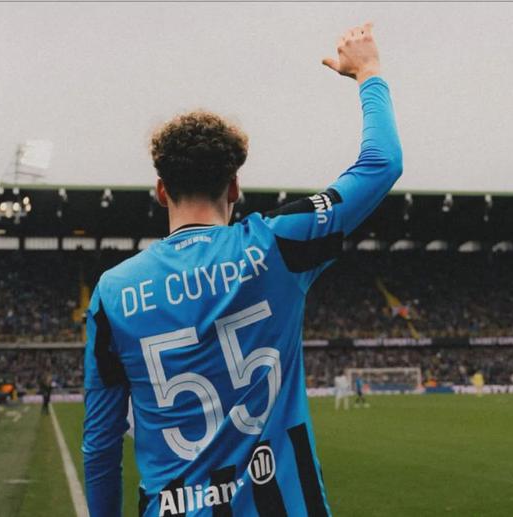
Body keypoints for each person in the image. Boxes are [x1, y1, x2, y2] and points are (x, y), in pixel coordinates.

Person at [82, 21, 402, 517]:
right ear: (234, 187)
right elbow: (381, 164)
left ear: (162, 191)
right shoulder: (276, 245)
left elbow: (101, 445)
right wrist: (369, 72)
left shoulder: (113, 291)